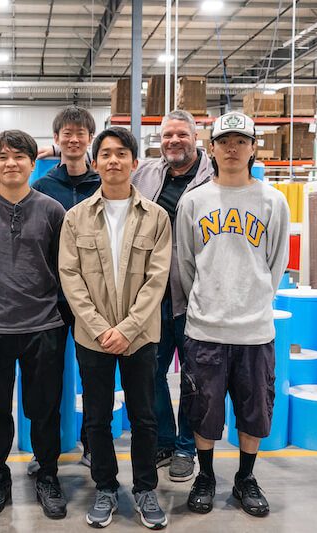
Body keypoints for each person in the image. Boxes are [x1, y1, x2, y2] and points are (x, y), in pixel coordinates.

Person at [176, 111, 289, 517]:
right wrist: (207, 301)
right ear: (211, 149)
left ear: (253, 147)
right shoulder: (194, 201)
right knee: (203, 410)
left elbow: (276, 264)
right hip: (205, 327)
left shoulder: (272, 201)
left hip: (255, 330)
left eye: (241, 141)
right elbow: (185, 263)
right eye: (224, 141)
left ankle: (245, 478)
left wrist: (253, 300)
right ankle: (205, 476)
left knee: (254, 410)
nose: (232, 148)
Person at [59, 127, 172, 530]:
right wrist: (99, 326)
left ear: (134, 163)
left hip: (140, 336)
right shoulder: (76, 217)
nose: (112, 160)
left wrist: (127, 328)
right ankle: (105, 487)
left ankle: (145, 489)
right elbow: (70, 277)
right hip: (93, 336)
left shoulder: (156, 217)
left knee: (144, 417)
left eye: (121, 153)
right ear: (95, 163)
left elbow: (157, 279)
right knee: (96, 416)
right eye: (104, 154)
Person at [0, 130, 68, 519]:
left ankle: (47, 474)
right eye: (2, 157)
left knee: (45, 408)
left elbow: (62, 266)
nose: (11, 163)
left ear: (33, 163)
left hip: (43, 326)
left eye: (19, 156)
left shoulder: (53, 210)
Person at [132, 110, 213, 482]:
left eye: (181, 134)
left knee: (194, 378)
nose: (173, 141)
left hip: (195, 294)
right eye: (167, 136)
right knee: (150, 373)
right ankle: (164, 439)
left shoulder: (213, 178)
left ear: (195, 137)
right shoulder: (146, 173)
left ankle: (185, 448)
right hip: (151, 294)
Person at [31, 105, 101, 471]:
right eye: (66, 134)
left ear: (90, 139)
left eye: (81, 133)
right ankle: (47, 453)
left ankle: (92, 445)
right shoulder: (42, 186)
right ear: (56, 140)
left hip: (95, 300)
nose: (74, 139)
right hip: (52, 301)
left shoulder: (104, 182)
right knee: (47, 379)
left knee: (93, 376)